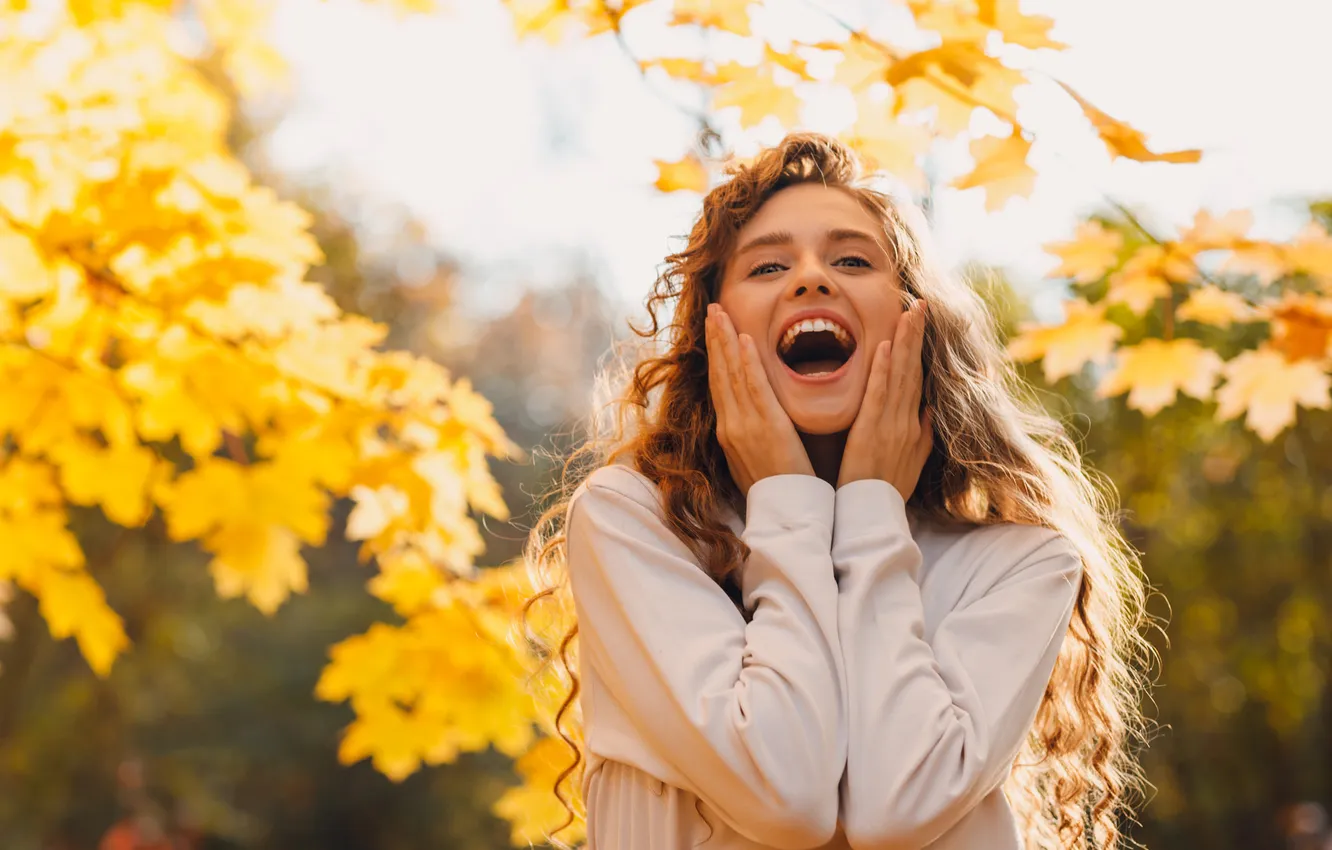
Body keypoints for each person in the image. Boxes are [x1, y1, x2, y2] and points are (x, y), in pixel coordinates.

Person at [521, 131, 1155, 850]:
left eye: (852, 259)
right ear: (712, 329)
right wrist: (789, 499)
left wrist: (868, 517)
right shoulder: (633, 521)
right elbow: (784, 794)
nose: (811, 279)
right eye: (767, 266)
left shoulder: (1022, 563)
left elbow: (898, 806)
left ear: (916, 319)